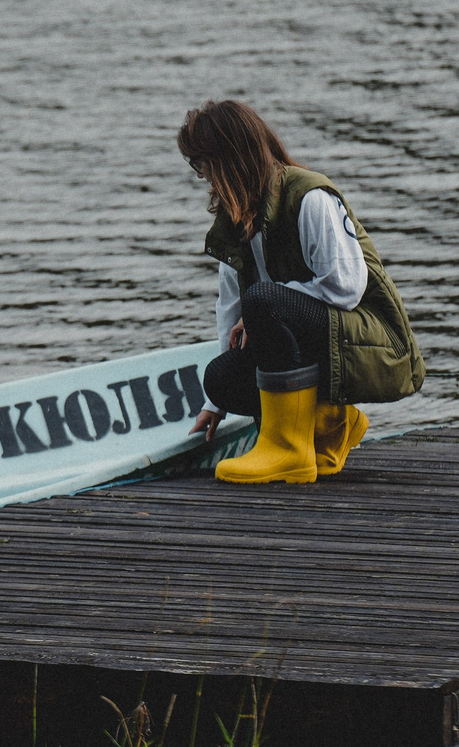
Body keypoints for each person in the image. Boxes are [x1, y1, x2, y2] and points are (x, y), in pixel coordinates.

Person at [180, 100, 424, 484]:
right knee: (222, 378)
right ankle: (331, 422)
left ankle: (289, 450)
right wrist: (215, 405)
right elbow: (229, 309)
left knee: (263, 301)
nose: (202, 177)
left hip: (376, 344)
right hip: (319, 340)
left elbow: (345, 288)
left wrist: (270, 302)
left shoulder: (310, 198)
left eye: (202, 165)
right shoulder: (236, 221)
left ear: (228, 160)